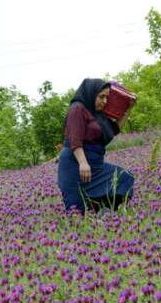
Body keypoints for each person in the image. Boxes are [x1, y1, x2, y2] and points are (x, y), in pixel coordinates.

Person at [57, 78, 134, 214]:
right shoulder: (77, 109)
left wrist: (128, 108)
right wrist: (83, 163)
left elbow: (114, 129)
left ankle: (107, 214)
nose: (104, 101)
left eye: (107, 97)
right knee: (77, 209)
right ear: (91, 93)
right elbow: (75, 139)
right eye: (101, 97)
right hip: (75, 164)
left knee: (124, 177)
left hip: (95, 164)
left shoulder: (97, 114)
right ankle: (91, 222)